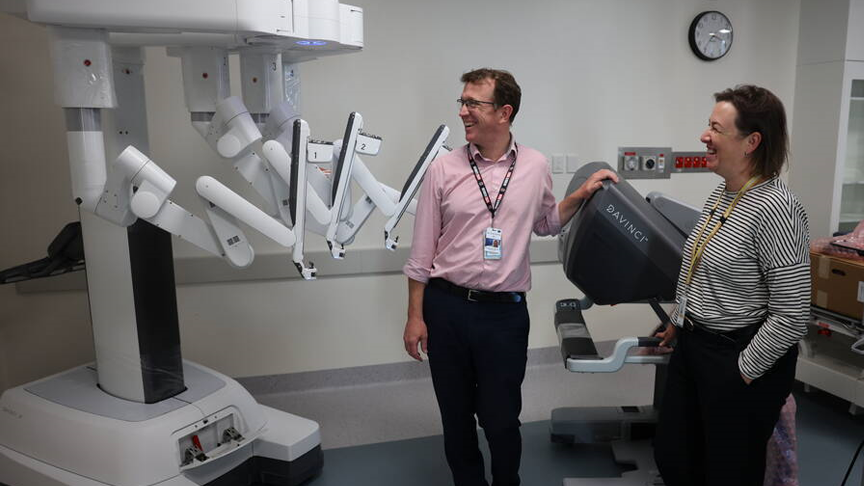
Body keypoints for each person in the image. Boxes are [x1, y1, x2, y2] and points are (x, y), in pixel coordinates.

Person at [402, 68, 617, 486]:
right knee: (456, 417)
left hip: (504, 316)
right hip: (446, 308)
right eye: (461, 102)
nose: (463, 112)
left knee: (501, 420)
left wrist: (582, 193)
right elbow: (421, 254)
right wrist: (415, 315)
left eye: (473, 104)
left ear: (504, 112)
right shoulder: (442, 170)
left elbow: (546, 222)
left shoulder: (535, 166)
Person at [653, 85, 810, 486]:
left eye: (716, 129)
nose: (705, 136)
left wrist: (741, 371)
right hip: (696, 347)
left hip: (738, 358)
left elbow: (791, 314)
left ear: (751, 142)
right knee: (676, 458)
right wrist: (680, 318)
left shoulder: (777, 209)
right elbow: (698, 265)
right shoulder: (724, 194)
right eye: (708, 126)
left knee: (727, 471)